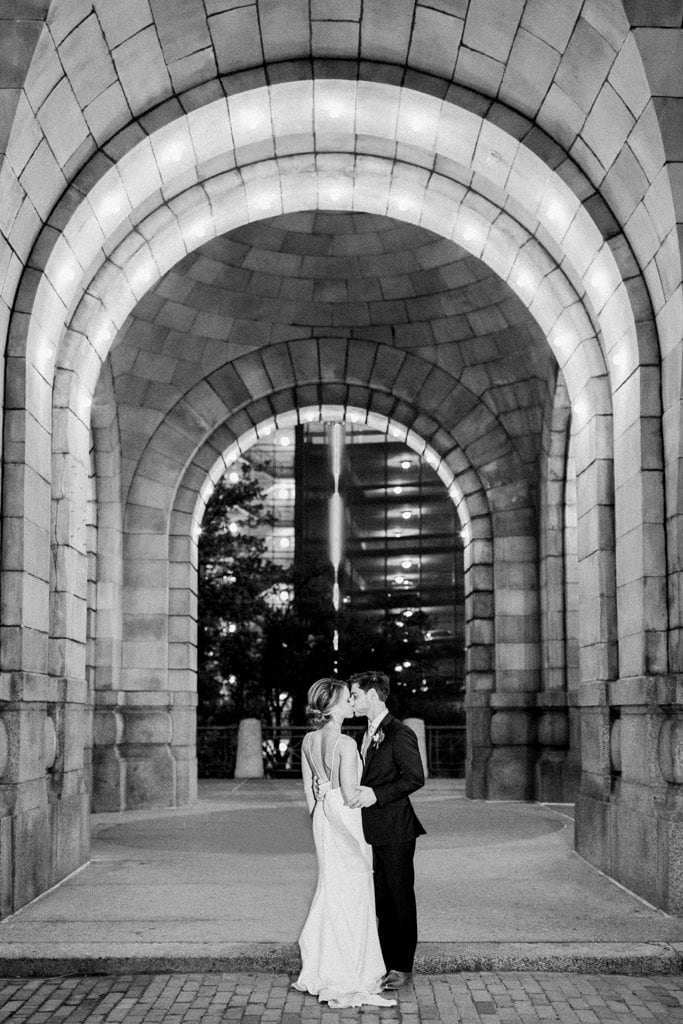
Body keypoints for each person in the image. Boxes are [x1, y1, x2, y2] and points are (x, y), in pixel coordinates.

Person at [292, 678, 396, 1009]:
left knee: (331, 888)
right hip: (347, 820)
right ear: (333, 707)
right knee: (355, 892)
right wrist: (378, 796)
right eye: (345, 699)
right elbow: (351, 795)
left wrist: (319, 816)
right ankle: (351, 967)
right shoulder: (346, 745)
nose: (351, 702)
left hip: (323, 819)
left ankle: (324, 963)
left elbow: (309, 789)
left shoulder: (308, 740)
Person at [346, 670, 426, 991]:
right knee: (381, 898)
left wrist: (376, 794)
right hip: (370, 829)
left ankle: (402, 966)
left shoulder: (400, 732)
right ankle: (383, 959)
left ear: (373, 696)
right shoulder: (361, 734)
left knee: (398, 897)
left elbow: (414, 778)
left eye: (355, 695)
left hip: (396, 828)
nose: (352, 700)